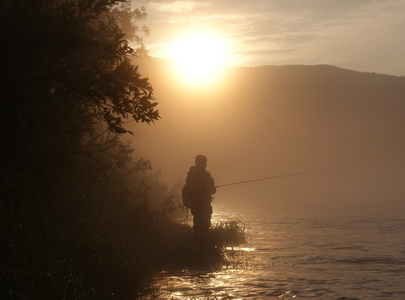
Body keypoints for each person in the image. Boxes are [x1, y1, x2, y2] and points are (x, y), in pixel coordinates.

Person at [182, 155, 216, 235]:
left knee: (204, 226)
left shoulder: (206, 175)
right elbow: (190, 188)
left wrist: (209, 188)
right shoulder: (193, 175)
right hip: (198, 206)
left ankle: (201, 243)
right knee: (199, 227)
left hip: (204, 206)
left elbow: (213, 190)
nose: (205, 164)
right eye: (204, 162)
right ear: (199, 163)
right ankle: (200, 244)